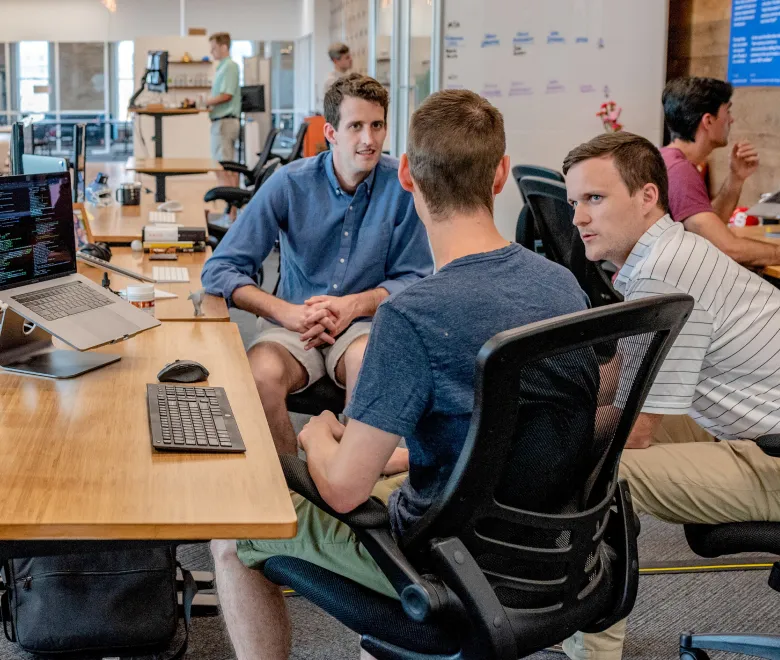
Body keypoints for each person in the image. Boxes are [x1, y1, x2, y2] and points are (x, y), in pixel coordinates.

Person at [210, 89, 593, 660]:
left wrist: (317, 436)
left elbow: (343, 491)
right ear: (501, 175)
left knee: (228, 533)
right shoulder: (563, 286)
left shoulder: (410, 317)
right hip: (553, 554)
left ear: (408, 174)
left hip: (441, 563)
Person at [563, 131, 780, 660]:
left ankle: (593, 652)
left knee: (602, 468)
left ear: (646, 197)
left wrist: (537, 443)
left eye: (594, 199)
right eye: (574, 203)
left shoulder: (665, 271)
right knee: (586, 439)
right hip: (753, 428)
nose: (578, 219)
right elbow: (619, 376)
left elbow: (635, 430)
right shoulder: (665, 254)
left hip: (771, 455)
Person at [201, 74, 433, 455]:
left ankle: (347, 485)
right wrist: (286, 313)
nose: (369, 140)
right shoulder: (289, 184)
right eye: (355, 126)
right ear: (331, 132)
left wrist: (353, 306)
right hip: (294, 324)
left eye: (377, 126)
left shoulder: (403, 187)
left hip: (363, 325)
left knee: (369, 367)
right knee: (260, 375)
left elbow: (417, 278)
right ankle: (292, 487)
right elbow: (220, 269)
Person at [661, 76, 780, 267]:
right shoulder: (680, 172)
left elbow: (708, 229)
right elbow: (728, 248)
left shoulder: (669, 159)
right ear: (708, 120)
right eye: (727, 111)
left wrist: (736, 178)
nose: (731, 119)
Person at [205, 32, 242, 188]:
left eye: (214, 48)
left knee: (225, 167)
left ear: (224, 47)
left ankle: (232, 209)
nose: (211, 52)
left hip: (225, 122)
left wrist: (206, 102)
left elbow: (227, 95)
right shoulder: (222, 68)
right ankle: (231, 207)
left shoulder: (230, 66)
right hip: (221, 122)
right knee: (223, 166)